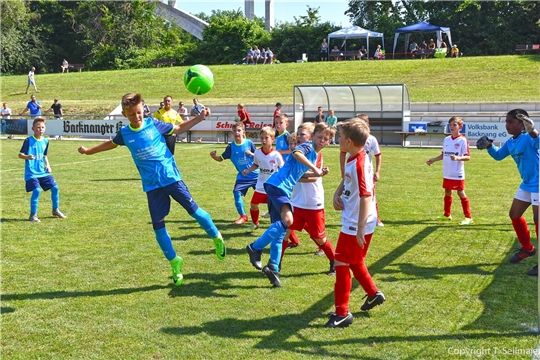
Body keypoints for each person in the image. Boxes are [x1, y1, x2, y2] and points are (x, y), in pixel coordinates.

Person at [77, 93, 225, 286]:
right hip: (152, 186)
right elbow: (110, 144)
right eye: (131, 114)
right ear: (124, 114)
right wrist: (89, 151)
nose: (136, 117)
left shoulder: (154, 124)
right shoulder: (125, 134)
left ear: (143, 109)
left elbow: (178, 128)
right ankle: (175, 263)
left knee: (194, 211)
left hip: (171, 178)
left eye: (138, 113)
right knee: (158, 227)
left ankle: (216, 236)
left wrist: (199, 118)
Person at [246, 122, 332, 287]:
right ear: (313, 136)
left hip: (278, 187)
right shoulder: (307, 147)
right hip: (278, 186)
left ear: (329, 142)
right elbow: (297, 152)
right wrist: (315, 168)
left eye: (325, 139)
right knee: (288, 221)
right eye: (319, 137)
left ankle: (273, 267)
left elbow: (298, 170)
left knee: (280, 231)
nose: (322, 140)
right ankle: (255, 248)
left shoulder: (313, 153)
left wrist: (318, 171)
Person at [325, 119, 386, 328]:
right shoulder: (356, 157)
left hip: (356, 223)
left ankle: (342, 313)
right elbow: (348, 180)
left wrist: (360, 228)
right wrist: (337, 192)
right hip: (356, 221)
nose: (338, 140)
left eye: (340, 137)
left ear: (349, 141)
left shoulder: (360, 163)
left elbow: (366, 195)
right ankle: (373, 293)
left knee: (341, 262)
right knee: (355, 260)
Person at [477, 109, 538, 276]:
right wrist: (489, 146)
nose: (507, 125)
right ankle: (528, 248)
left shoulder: (529, 138)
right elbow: (498, 156)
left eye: (511, 122)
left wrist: (532, 130)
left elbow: (538, 141)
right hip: (527, 184)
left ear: (522, 123)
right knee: (514, 214)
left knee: (538, 220)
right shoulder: (511, 142)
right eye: (507, 122)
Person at [280, 129, 336, 276]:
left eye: (325, 138)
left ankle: (334, 261)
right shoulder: (298, 153)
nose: (298, 138)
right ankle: (275, 266)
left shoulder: (315, 153)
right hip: (297, 201)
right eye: (297, 136)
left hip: (313, 203)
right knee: (285, 233)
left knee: (319, 237)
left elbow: (313, 177)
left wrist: (292, 176)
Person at [19, 117, 67, 223]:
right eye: (38, 127)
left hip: (43, 172)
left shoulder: (46, 141)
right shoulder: (28, 140)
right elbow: (20, 155)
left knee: (55, 188)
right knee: (36, 190)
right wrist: (27, 157)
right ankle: (33, 215)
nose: (40, 129)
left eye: (42, 127)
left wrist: (48, 165)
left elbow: (45, 155)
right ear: (33, 128)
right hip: (32, 173)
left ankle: (55, 210)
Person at [426, 117, 473, 225]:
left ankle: (468, 217)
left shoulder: (463, 140)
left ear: (460, 127)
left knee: (460, 192)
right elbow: (444, 154)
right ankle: (447, 215)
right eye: (450, 125)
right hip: (447, 172)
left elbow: (468, 157)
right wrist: (433, 160)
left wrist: (458, 158)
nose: (451, 127)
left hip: (457, 173)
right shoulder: (447, 139)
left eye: (454, 125)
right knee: (447, 191)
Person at [210, 122, 259, 225]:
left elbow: (259, 156)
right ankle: (243, 216)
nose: (237, 133)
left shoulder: (249, 143)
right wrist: (214, 157)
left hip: (256, 175)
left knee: (267, 195)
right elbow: (221, 158)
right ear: (232, 132)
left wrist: (251, 153)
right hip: (243, 176)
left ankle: (276, 213)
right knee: (236, 193)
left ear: (243, 132)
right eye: (235, 131)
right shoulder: (230, 147)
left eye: (239, 130)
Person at [242, 126, 285, 232]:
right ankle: (255, 223)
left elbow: (283, 169)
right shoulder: (257, 152)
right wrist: (248, 170)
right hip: (261, 185)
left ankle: (285, 231)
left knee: (278, 210)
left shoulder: (276, 155)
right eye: (262, 138)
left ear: (272, 139)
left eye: (266, 138)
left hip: (273, 186)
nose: (264, 140)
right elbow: (256, 164)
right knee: (253, 204)